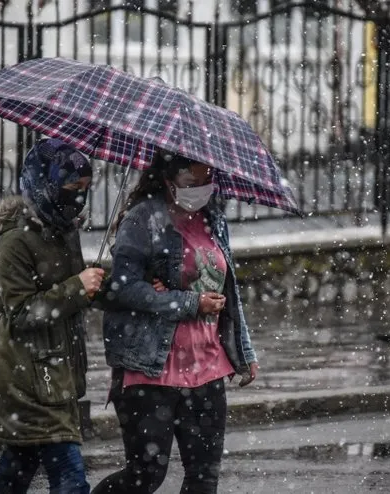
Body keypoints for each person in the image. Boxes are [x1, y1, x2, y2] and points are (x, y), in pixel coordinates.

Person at [92, 150, 259, 494]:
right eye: (192, 182)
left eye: (207, 180)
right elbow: (125, 289)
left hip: (207, 366)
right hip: (151, 367)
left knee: (204, 477)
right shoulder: (142, 219)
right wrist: (187, 302)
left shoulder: (214, 220)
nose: (201, 188)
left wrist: (243, 351)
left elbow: (228, 290)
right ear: (169, 180)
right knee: (145, 475)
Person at [0, 138, 103, 494]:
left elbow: (69, 292)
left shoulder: (64, 231)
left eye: (85, 188)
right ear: (44, 182)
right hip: (28, 376)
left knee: (15, 471)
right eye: (72, 186)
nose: (78, 196)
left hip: (56, 372)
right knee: (70, 478)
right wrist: (77, 287)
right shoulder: (14, 242)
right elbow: (21, 312)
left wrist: (100, 286)